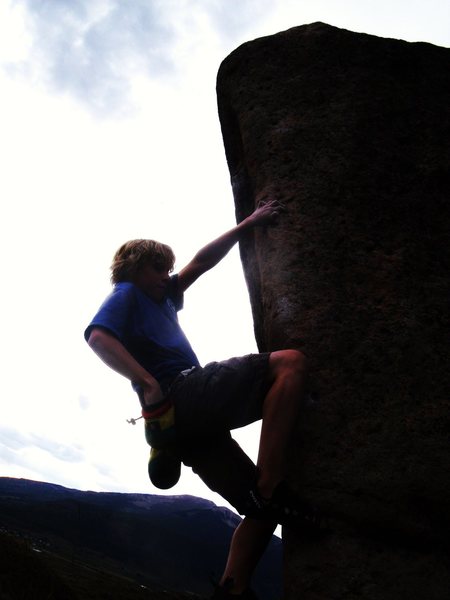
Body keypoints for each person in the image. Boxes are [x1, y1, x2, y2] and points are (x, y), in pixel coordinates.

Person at [84, 199, 321, 599]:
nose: (166, 275)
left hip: (182, 428)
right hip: (183, 391)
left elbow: (200, 262)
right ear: (134, 268)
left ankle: (233, 587)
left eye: (166, 268)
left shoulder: (161, 297)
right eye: (157, 268)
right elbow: (97, 336)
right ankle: (272, 479)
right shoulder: (127, 292)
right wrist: (147, 381)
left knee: (263, 509)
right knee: (290, 365)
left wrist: (247, 224)